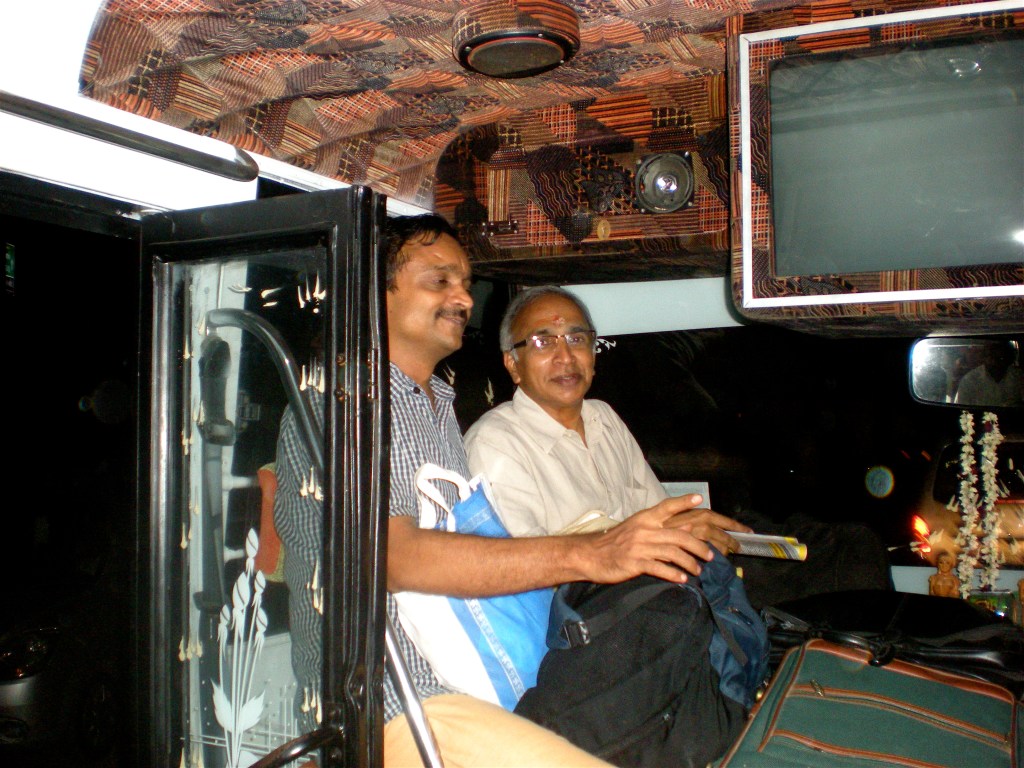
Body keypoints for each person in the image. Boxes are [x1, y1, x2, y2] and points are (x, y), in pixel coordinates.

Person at [276, 217, 746, 768]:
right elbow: (396, 559)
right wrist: (595, 552)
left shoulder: (432, 402)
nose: (464, 297)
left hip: (481, 668)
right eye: (440, 280)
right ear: (376, 291)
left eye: (466, 282)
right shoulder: (349, 397)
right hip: (392, 704)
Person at [954, 343, 1024, 407]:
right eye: (991, 357)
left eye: (1000, 358)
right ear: (984, 358)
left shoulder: (1019, 378)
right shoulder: (969, 381)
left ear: (1009, 359)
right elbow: (963, 413)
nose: (994, 362)